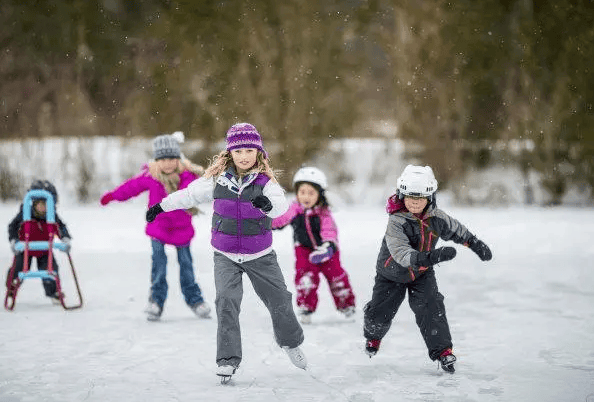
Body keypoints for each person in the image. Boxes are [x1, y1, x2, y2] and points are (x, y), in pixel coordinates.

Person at [146, 122, 307, 381]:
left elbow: (280, 205)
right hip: (226, 255)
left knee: (280, 300)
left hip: (260, 256)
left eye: (249, 151)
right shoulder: (216, 181)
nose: (244, 156)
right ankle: (227, 360)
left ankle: (290, 342)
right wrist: (161, 206)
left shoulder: (266, 182)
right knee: (226, 302)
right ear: (230, 153)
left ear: (259, 153)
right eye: (239, 151)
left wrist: (267, 205)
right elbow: (188, 195)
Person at [363, 165, 492, 374]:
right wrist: (432, 256)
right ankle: (373, 337)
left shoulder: (437, 217)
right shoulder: (396, 221)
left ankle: (443, 352)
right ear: (401, 195)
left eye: (421, 197)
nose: (415, 202)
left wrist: (474, 243)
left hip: (422, 274)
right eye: (410, 197)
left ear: (430, 198)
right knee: (379, 314)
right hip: (391, 275)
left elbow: (456, 230)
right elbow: (402, 253)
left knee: (432, 307)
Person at [100, 131, 211, 321]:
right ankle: (156, 302)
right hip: (158, 228)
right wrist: (112, 196)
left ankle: (195, 300)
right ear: (156, 160)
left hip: (182, 228)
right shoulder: (151, 176)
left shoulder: (188, 177)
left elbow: (206, 190)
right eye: (163, 159)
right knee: (159, 266)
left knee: (186, 266)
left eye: (172, 158)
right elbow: (130, 188)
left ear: (178, 159)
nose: (168, 163)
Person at [272, 166, 356, 324]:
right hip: (303, 249)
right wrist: (266, 222)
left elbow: (329, 230)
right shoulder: (294, 209)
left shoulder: (324, 212)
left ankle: (346, 304)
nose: (306, 197)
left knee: (336, 276)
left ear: (320, 194)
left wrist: (328, 246)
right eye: (302, 192)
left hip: (326, 250)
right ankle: (306, 306)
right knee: (305, 276)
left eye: (311, 193)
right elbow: (281, 220)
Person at [7, 180, 72, 302]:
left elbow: (61, 227)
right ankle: (12, 286)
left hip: (44, 249)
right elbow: (13, 227)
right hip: (25, 248)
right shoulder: (24, 215)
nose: (44, 208)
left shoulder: (52, 216)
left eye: (48, 204)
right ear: (33, 203)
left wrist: (65, 239)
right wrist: (14, 241)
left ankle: (54, 292)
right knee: (18, 267)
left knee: (50, 268)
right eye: (41, 204)